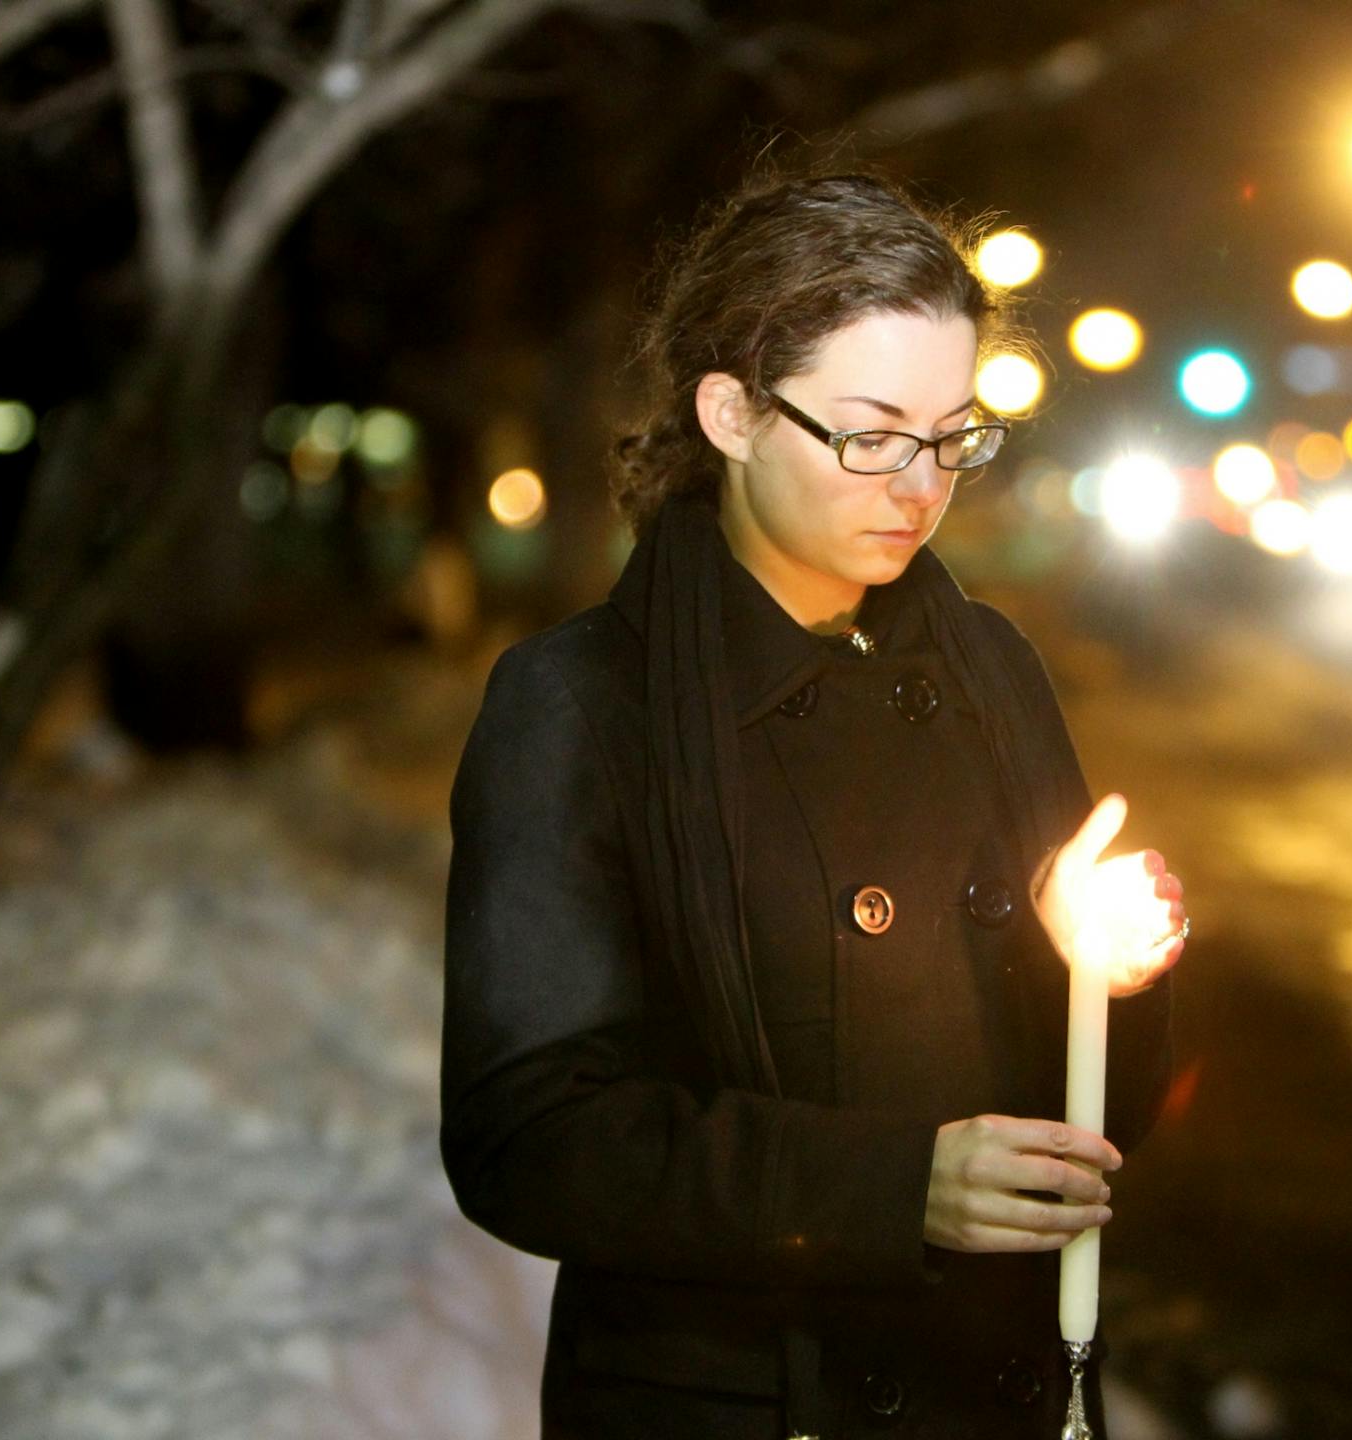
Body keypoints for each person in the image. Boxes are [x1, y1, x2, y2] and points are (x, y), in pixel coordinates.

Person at [439, 168, 1185, 1439]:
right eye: (872, 432)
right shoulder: (583, 702)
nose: (921, 487)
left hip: (996, 1382)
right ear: (730, 411)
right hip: (744, 1396)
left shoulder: (988, 666)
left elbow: (1103, 1116)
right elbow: (531, 1137)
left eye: (954, 435)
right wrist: (893, 1190)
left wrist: (1105, 972)